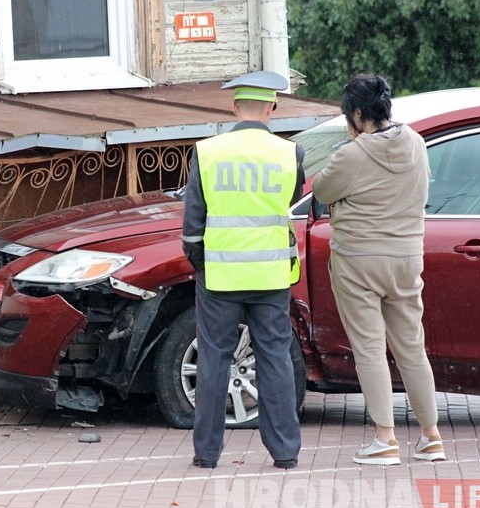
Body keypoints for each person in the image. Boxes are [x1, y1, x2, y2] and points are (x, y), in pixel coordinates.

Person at [311, 74, 446, 465]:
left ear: (356, 114)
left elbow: (321, 191)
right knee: (411, 348)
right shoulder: (417, 144)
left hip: (358, 261)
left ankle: (385, 440)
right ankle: (430, 437)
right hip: (406, 258)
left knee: (369, 348)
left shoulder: (352, 154)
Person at [182, 70, 305, 470]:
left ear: (234, 107)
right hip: (271, 277)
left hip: (219, 277)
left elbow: (192, 227)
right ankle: (285, 451)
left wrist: (202, 267)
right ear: (271, 107)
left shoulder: (207, 151)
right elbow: (292, 199)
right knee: (275, 358)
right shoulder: (290, 154)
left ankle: (206, 453)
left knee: (213, 360)